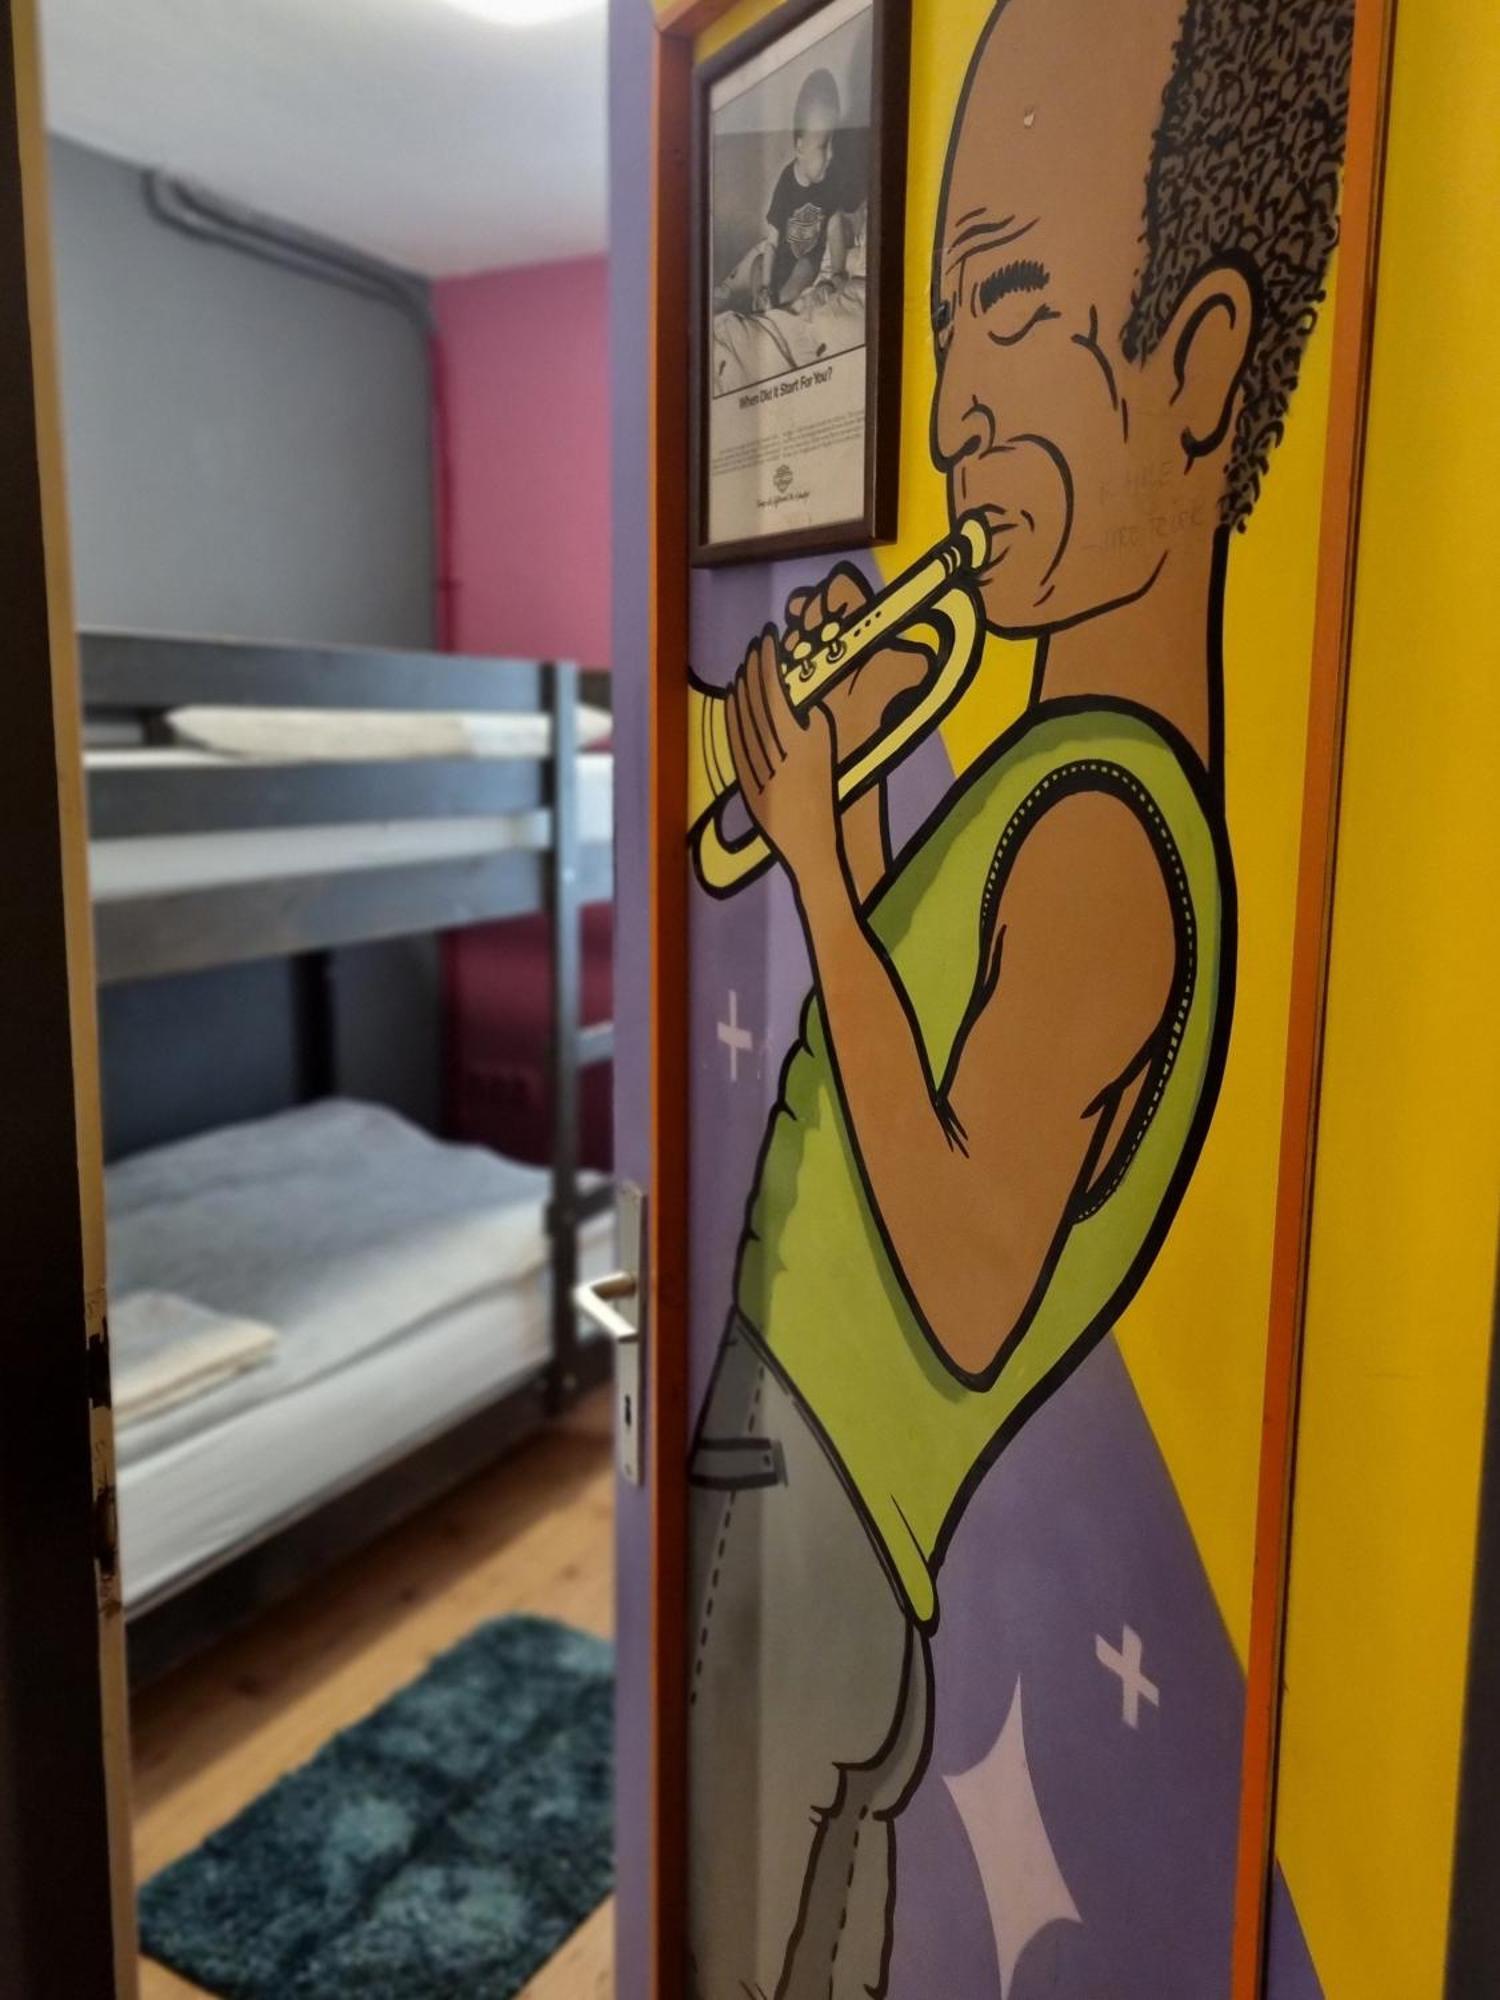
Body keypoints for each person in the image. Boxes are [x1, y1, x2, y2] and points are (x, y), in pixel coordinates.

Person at [686, 0, 1355, 1995]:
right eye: (946, 334)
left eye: (1007, 308)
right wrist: (857, 805)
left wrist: (820, 866)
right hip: (844, 1520)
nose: (953, 409)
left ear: (1200, 364)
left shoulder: (1105, 841)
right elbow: (934, 1083)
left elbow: (968, 1278)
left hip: (818, 1495)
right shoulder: (1061, 786)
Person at [714, 66, 851, 315]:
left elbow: (835, 229)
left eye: (834, 142)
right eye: (823, 146)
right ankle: (761, 302)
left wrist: (836, 276)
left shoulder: (831, 182)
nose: (831, 154)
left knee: (803, 268)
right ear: (800, 147)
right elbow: (772, 242)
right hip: (780, 259)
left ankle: (778, 308)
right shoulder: (786, 182)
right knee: (758, 263)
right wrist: (765, 286)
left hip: (806, 259)